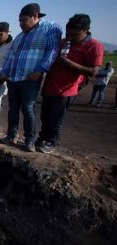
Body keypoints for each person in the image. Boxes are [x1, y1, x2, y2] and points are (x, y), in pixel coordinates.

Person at [0, 3, 62, 152]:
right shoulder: (20, 36)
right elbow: (11, 56)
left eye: (24, 20)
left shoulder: (50, 28)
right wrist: (5, 71)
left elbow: (53, 51)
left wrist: (40, 70)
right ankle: (11, 136)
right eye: (19, 20)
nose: (21, 24)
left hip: (30, 78)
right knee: (13, 109)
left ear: (35, 17)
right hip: (14, 78)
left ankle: (29, 140)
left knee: (28, 109)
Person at [37, 14, 103, 153]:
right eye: (68, 33)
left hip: (66, 90)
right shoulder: (62, 42)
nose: (70, 37)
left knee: (56, 117)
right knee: (45, 115)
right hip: (50, 85)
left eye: (75, 34)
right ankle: (42, 138)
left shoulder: (94, 46)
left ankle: (51, 142)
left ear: (86, 30)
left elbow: (93, 71)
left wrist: (69, 64)